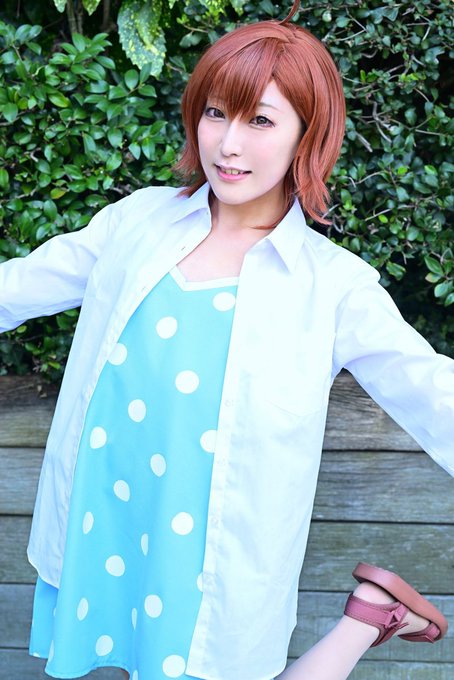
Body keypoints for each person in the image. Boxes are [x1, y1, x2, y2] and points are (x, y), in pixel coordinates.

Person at [0, 1, 452, 679]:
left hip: (215, 558)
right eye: (216, 113)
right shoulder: (137, 223)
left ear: (308, 134)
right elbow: (17, 287)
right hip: (107, 521)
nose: (228, 144)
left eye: (261, 121)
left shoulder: (332, 285)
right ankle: (372, 612)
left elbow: (430, 389)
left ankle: (365, 621)